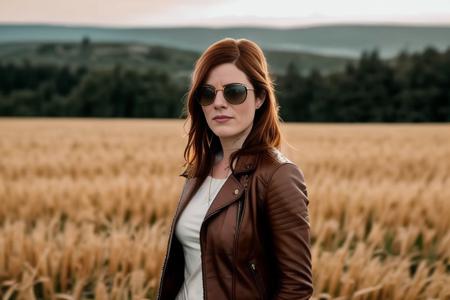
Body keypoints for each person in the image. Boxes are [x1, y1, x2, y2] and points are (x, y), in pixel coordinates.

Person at [156, 37, 313, 300]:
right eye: (207, 93)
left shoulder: (278, 176)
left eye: (234, 92)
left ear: (260, 97)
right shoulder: (199, 170)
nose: (219, 103)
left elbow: (296, 288)